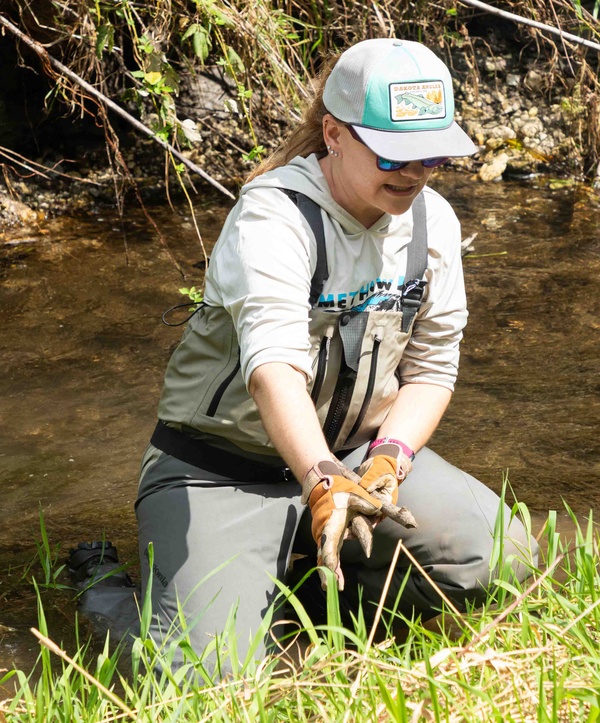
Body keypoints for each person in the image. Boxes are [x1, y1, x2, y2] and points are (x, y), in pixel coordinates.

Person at [94, 37, 536, 676]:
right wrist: (322, 478)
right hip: (221, 469)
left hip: (354, 456)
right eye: (393, 153)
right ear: (333, 133)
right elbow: (273, 366)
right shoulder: (272, 217)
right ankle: (106, 588)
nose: (413, 174)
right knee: (202, 677)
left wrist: (389, 459)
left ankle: (292, 595)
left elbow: (434, 365)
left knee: (499, 556)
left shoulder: (432, 222)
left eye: (431, 156)